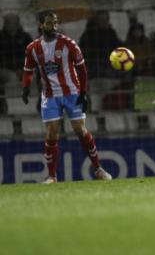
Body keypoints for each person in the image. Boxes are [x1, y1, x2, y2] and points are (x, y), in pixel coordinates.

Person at [21, 10, 112, 183]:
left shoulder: (69, 44)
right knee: (51, 134)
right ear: (41, 25)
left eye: (55, 22)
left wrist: (84, 92)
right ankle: (52, 176)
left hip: (72, 93)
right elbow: (28, 71)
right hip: (50, 95)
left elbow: (82, 69)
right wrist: (25, 88)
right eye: (49, 23)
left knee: (80, 130)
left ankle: (98, 169)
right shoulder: (32, 48)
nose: (54, 26)